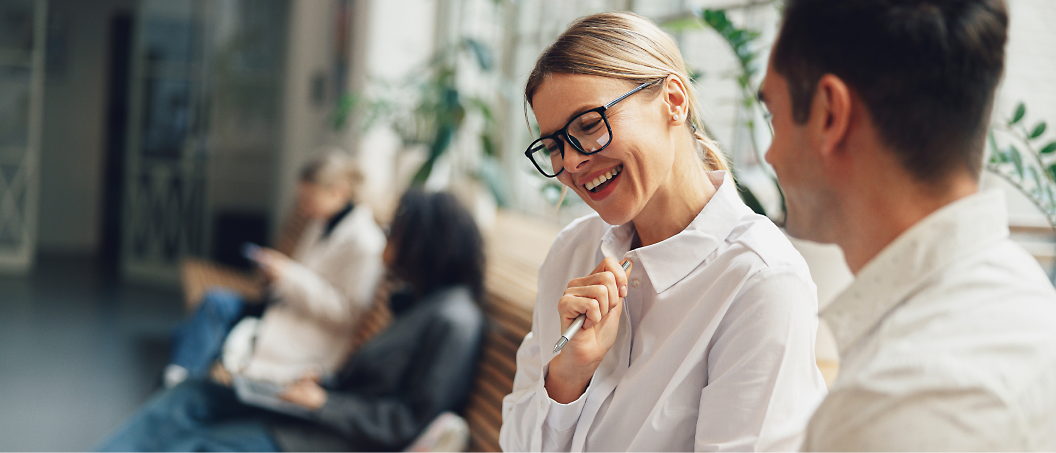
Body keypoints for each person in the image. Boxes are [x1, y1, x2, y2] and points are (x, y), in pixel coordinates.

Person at [500, 12, 827, 453]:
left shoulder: (760, 282)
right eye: (555, 145)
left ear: (674, 100)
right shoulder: (572, 252)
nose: (572, 163)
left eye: (589, 125)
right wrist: (567, 378)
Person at [757, 0, 1056, 451]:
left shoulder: (898, 400)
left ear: (829, 115)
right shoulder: (1023, 297)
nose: (769, 154)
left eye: (773, 117)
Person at [92, 189, 487, 453]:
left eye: (395, 232)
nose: (387, 241)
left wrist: (325, 403)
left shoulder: (454, 320)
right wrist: (321, 384)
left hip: (330, 437)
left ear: (423, 243)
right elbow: (376, 382)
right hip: (317, 415)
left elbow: (410, 419)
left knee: (194, 440)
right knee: (191, 394)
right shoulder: (424, 303)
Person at [165, 151, 386, 387]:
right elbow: (304, 275)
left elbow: (347, 314)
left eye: (309, 199)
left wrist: (288, 275)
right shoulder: (323, 223)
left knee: (205, 317)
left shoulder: (365, 243)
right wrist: (277, 274)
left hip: (309, 335)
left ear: (338, 191)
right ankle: (177, 381)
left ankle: (175, 384)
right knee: (205, 312)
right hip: (285, 309)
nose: (303, 208)